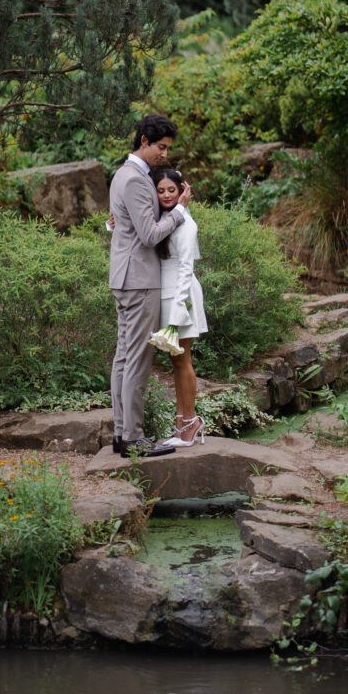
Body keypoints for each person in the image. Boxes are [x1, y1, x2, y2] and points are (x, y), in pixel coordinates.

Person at [109, 114, 191, 458]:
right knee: (137, 360)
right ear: (144, 140)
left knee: (124, 358)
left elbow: (124, 226)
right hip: (140, 280)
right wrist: (179, 211)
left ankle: (121, 434)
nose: (165, 155)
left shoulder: (123, 175)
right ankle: (133, 437)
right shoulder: (136, 180)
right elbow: (149, 235)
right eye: (161, 147)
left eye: (168, 148)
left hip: (126, 278)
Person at [150, 167, 207, 447]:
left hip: (179, 294)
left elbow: (185, 268)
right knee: (175, 361)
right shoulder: (164, 219)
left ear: (182, 190)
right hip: (166, 292)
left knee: (183, 359)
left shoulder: (185, 224)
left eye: (171, 189)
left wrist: (176, 311)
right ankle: (182, 422)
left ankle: (190, 423)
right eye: (160, 190)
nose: (166, 195)